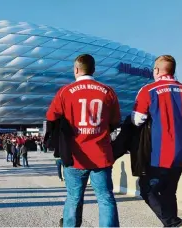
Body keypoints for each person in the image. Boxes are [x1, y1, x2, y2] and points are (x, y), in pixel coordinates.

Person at [46, 54, 121, 227]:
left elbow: (51, 116)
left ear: (76, 70)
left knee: (73, 198)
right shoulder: (108, 91)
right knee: (105, 198)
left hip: (75, 156)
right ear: (94, 69)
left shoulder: (65, 91)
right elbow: (115, 120)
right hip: (101, 154)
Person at [131, 55, 182, 227]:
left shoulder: (149, 90)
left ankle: (171, 222)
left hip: (160, 154)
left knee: (146, 188)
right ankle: (171, 222)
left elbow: (137, 119)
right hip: (180, 154)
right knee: (170, 192)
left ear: (157, 70)